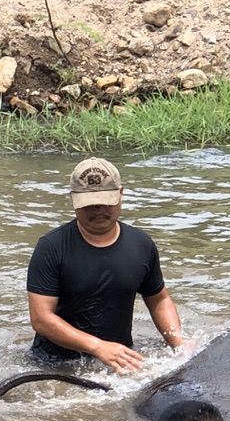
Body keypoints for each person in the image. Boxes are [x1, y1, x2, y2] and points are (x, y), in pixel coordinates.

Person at [26, 157, 187, 373]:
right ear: (74, 200)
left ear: (121, 194)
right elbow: (41, 319)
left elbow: (159, 299)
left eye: (105, 202)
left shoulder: (141, 244)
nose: (98, 209)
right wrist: (98, 347)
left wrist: (179, 345)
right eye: (90, 203)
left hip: (120, 359)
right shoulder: (51, 247)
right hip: (56, 365)